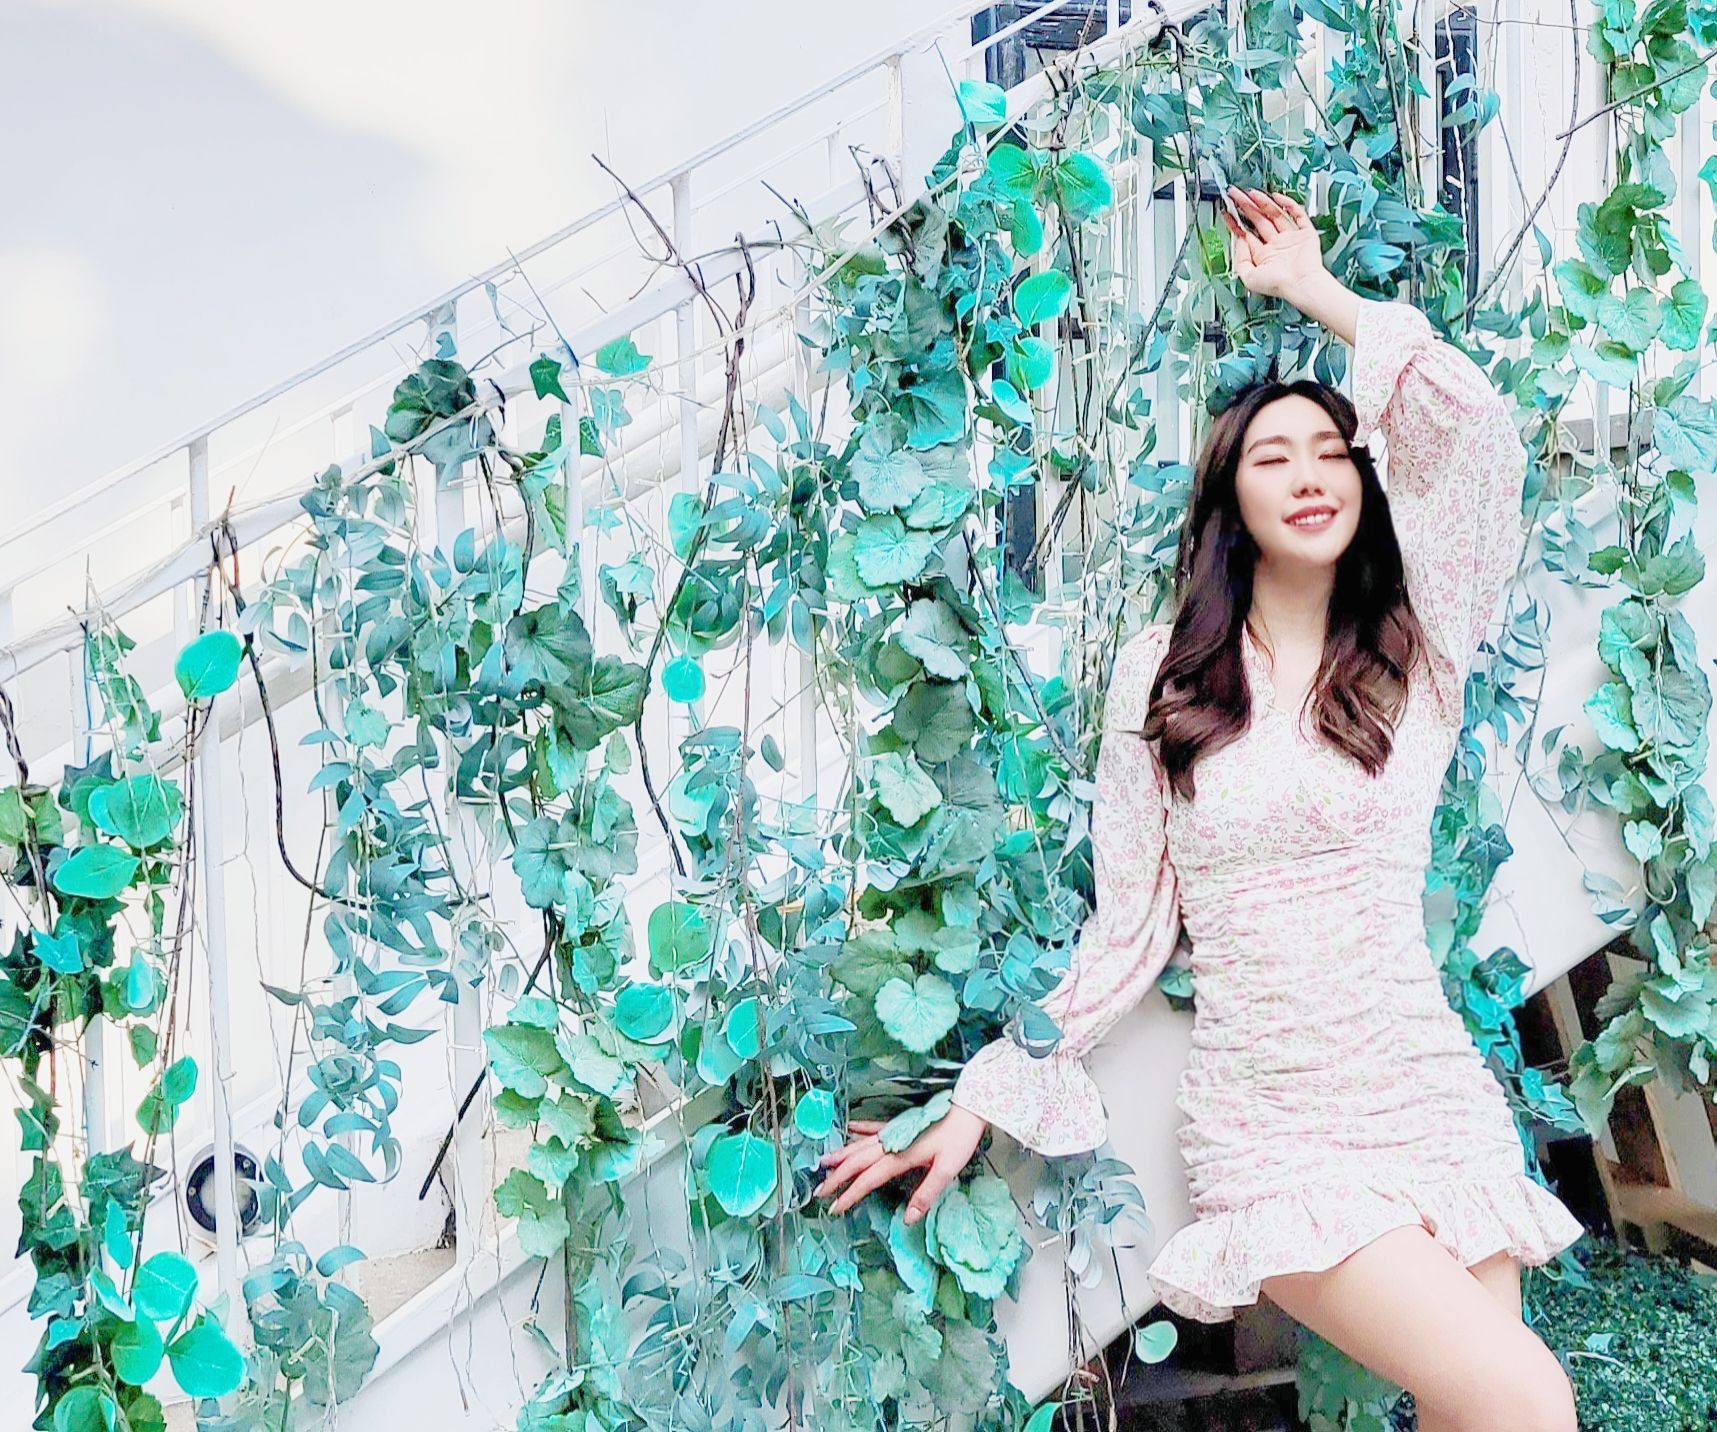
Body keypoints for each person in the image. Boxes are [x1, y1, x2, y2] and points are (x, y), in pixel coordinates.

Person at [814, 187, 1585, 1430]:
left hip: (1426, 1088)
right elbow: (1126, 932)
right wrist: (977, 1099)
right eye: (1272, 458)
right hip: (1277, 1119)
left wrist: (1318, 294)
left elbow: (1479, 433)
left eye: (1333, 451)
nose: (1309, 474)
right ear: (1232, 503)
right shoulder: (1164, 676)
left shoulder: (1419, 652)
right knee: (1527, 1405)